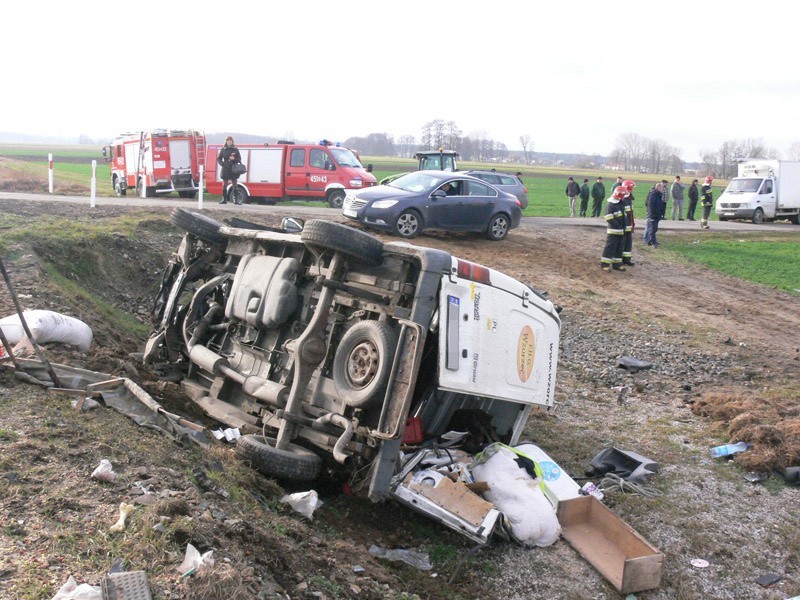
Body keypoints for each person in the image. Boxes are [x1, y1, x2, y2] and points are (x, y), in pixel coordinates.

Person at [600, 186, 628, 271]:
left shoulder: (620, 203)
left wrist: (623, 226)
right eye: (622, 195)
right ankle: (605, 264)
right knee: (610, 247)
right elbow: (608, 217)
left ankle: (617, 264)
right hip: (613, 230)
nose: (623, 197)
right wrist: (618, 225)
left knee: (619, 247)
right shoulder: (611, 204)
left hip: (621, 230)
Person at [217, 136, 243, 205]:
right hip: (225, 168)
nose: (229, 141)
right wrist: (222, 164)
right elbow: (219, 158)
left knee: (235, 184)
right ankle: (224, 199)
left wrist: (233, 159)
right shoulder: (223, 149)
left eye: (230, 140)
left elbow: (239, 159)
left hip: (233, 168)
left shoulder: (235, 149)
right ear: (226, 141)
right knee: (224, 184)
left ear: (232, 141)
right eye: (228, 140)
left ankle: (236, 200)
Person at [621, 179, 636, 266]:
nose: (633, 189)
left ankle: (627, 259)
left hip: (629, 225)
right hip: (624, 225)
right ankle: (620, 259)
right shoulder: (623, 199)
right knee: (623, 242)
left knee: (628, 243)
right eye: (632, 187)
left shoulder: (629, 198)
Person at [644, 183, 664, 247]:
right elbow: (650, 205)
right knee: (651, 228)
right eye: (661, 188)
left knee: (654, 229)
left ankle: (652, 240)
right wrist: (652, 214)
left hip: (656, 215)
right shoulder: (653, 194)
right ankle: (649, 241)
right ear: (658, 188)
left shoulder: (658, 195)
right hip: (653, 215)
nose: (662, 189)